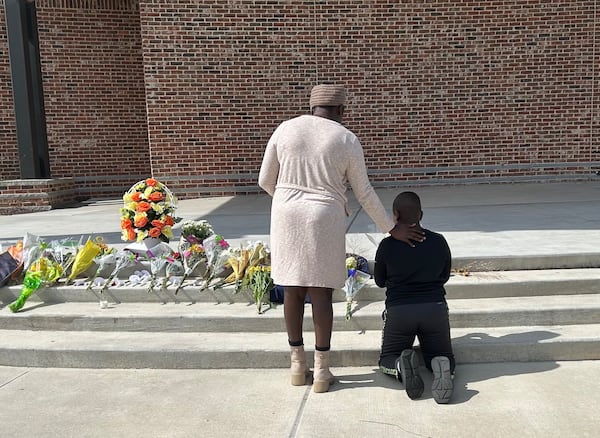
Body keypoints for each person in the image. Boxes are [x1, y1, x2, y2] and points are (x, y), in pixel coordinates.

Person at [258, 84, 424, 393]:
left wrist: (289, 200)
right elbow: (364, 192)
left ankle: (297, 365)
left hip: (285, 213)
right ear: (341, 110)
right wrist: (390, 227)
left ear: (311, 107)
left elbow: (264, 180)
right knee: (321, 294)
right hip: (325, 215)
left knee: (292, 289)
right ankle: (322, 372)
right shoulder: (347, 138)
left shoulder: (284, 129)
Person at [374, 191, 455, 403]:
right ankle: (440, 365)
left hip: (400, 312)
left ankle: (401, 365)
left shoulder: (387, 246)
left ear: (395, 216)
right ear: (421, 214)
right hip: (434, 309)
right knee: (444, 355)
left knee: (387, 358)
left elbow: (380, 281)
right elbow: (444, 276)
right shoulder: (439, 241)